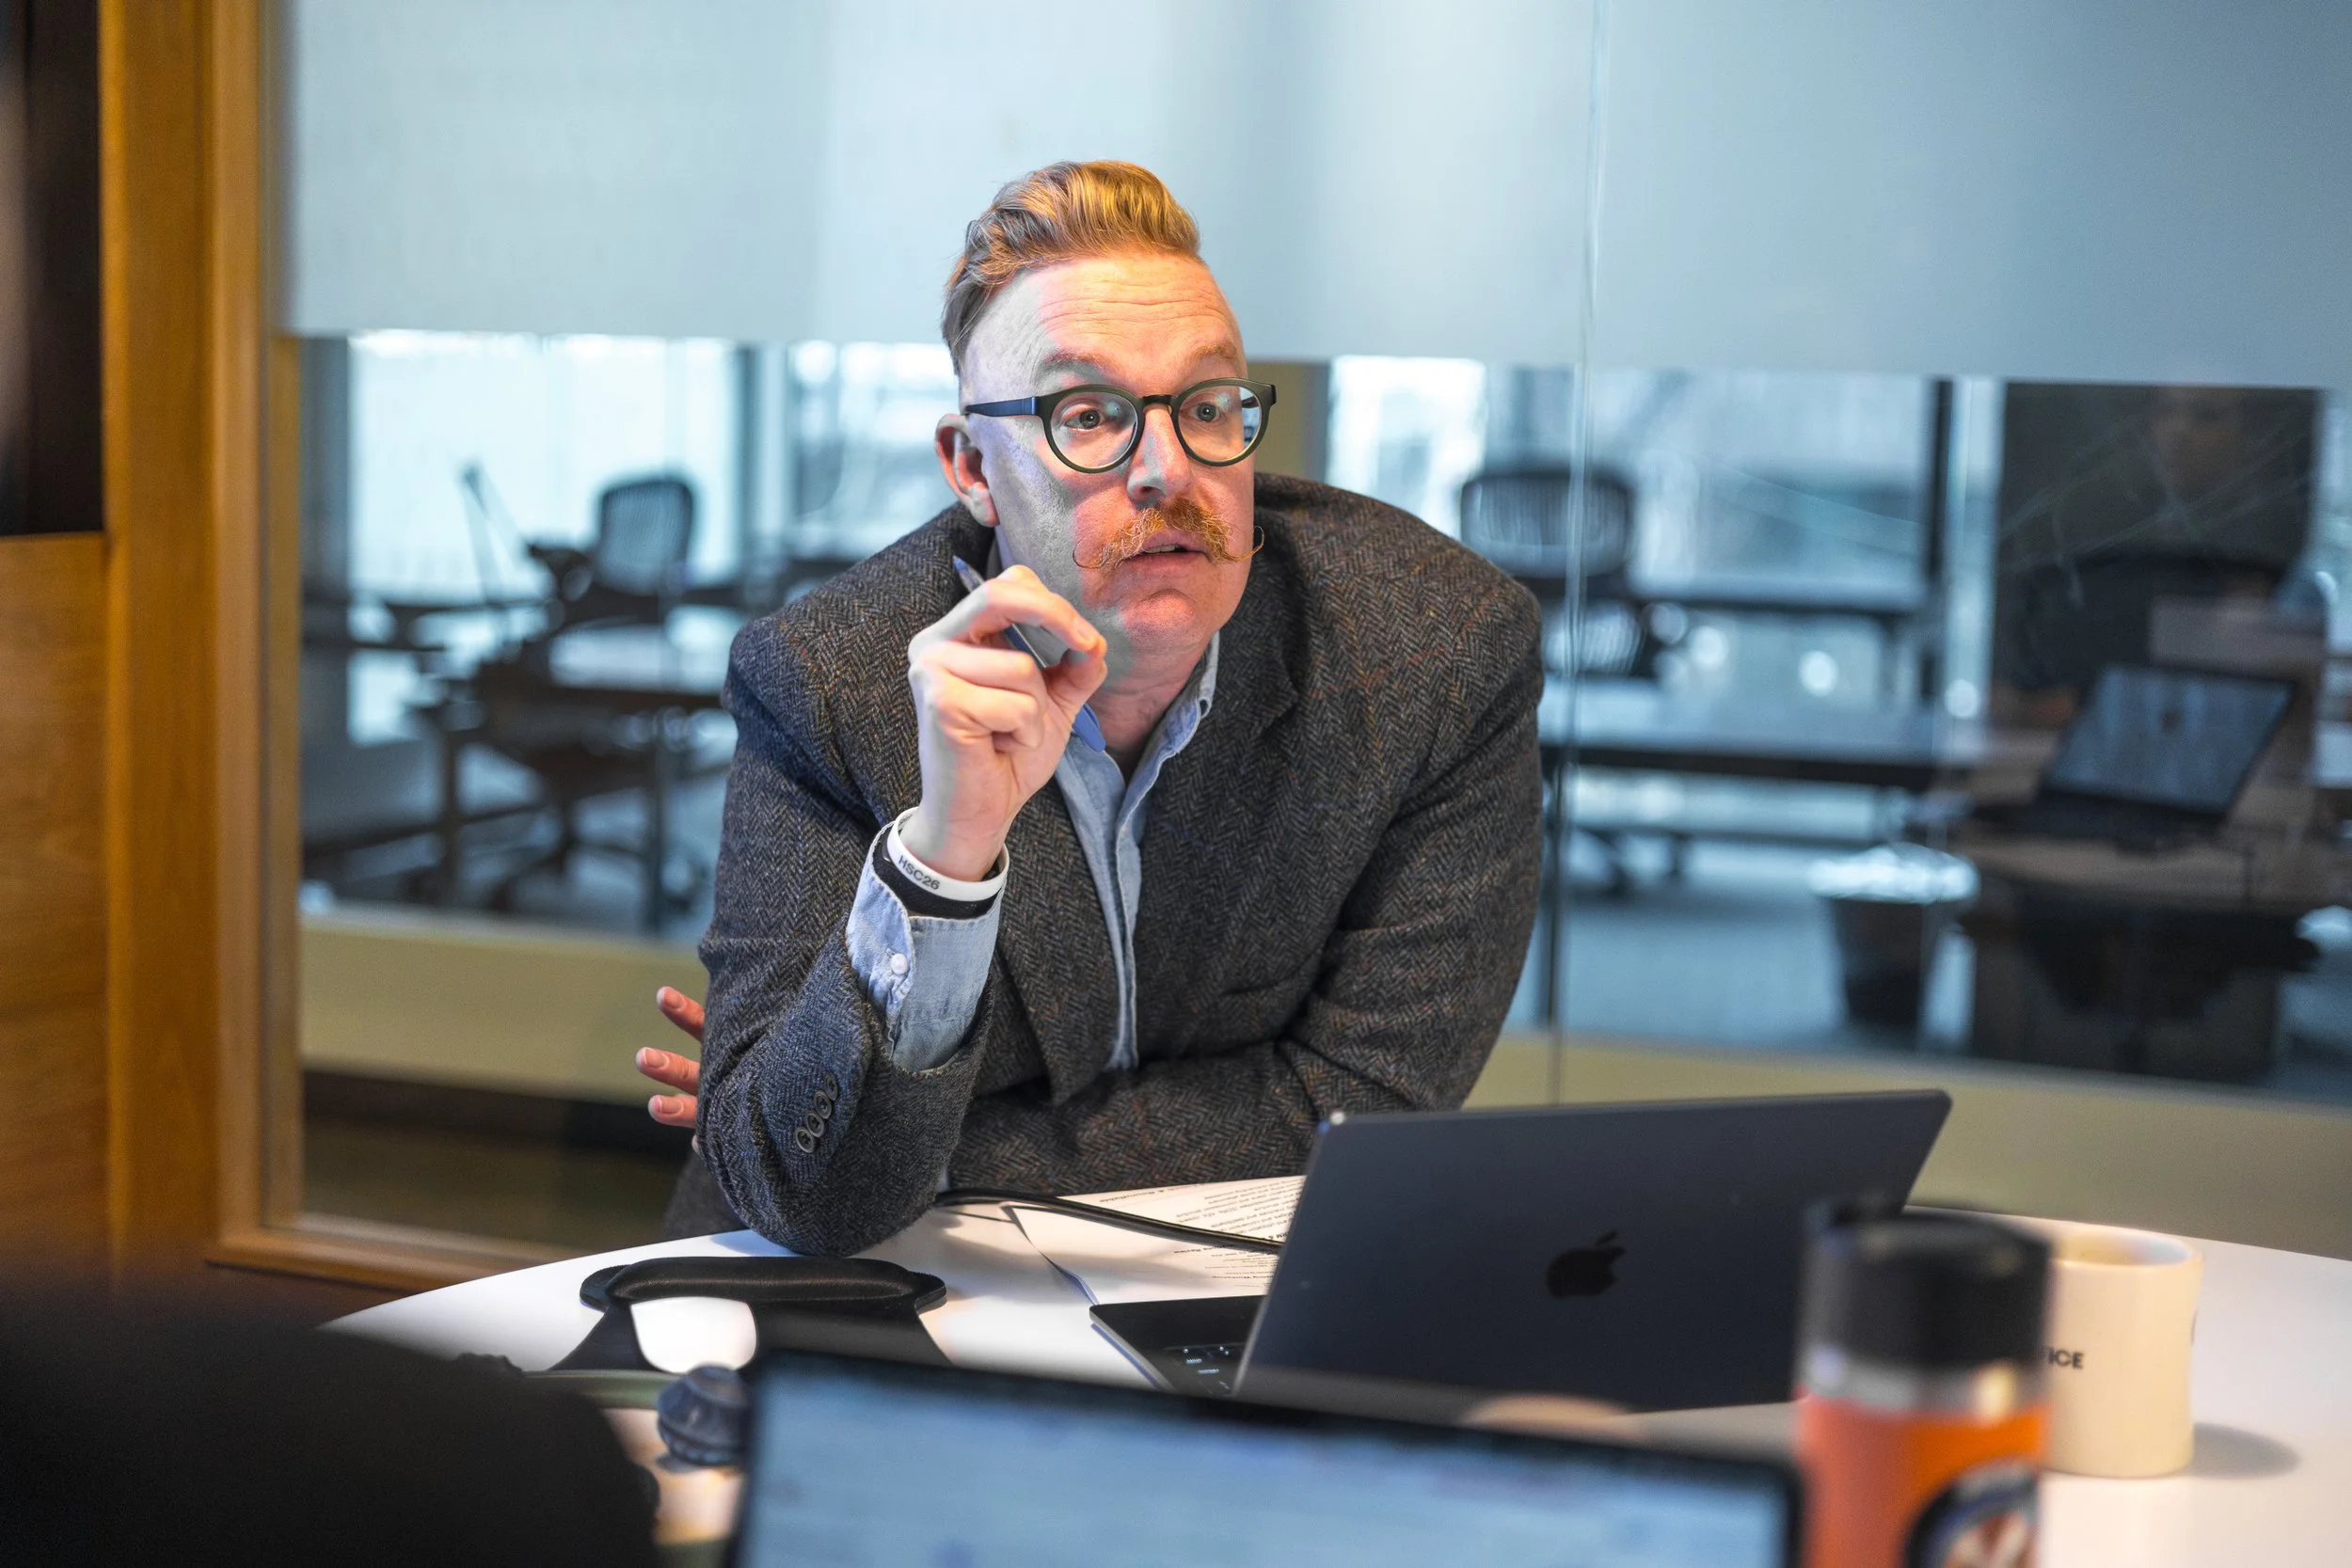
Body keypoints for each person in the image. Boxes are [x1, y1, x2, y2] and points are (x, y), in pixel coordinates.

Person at [650, 161, 1541, 1255]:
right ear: (970, 466)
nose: (1169, 469)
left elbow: (1368, 1111)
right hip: (865, 1292)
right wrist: (944, 860)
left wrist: (918, 1145)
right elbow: (810, 1193)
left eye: (1208, 405)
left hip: (1235, 1284)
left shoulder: (1430, 651)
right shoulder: (830, 681)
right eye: (1088, 415)